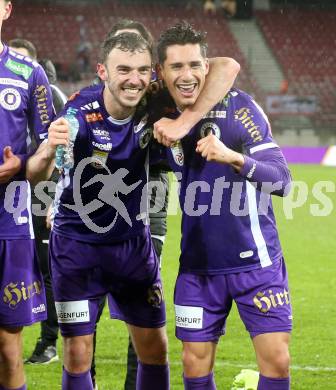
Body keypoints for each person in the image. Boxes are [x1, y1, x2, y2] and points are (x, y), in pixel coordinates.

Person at [26, 26, 240, 389]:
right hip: (77, 247)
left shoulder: (153, 100)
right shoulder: (80, 111)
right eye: (123, 70)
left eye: (142, 70)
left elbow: (227, 65)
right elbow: (36, 176)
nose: (134, 80)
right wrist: (48, 149)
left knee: (154, 349)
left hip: (132, 248)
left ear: (152, 73)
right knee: (78, 352)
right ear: (103, 71)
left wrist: (185, 121)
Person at [154, 22, 292, 390]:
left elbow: (282, 181)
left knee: (276, 362)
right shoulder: (158, 110)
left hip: (257, 264)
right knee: (194, 366)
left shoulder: (242, 108)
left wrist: (233, 158)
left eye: (195, 65)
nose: (187, 76)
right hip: (198, 268)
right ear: (161, 72)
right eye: (176, 67)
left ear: (206, 65)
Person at [0, 1, 54, 389]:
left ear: (6, 9)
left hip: (10, 221)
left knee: (7, 344)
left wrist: (19, 164)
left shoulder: (28, 73)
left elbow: (49, 143)